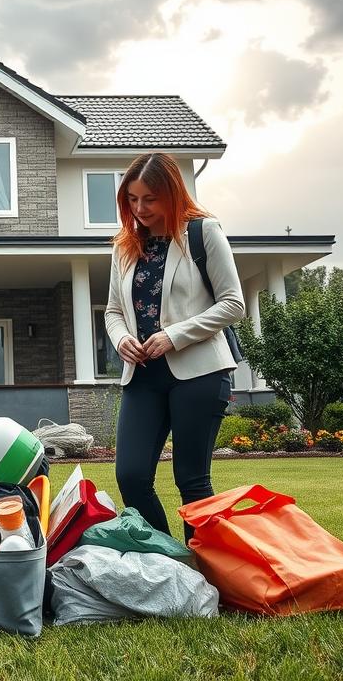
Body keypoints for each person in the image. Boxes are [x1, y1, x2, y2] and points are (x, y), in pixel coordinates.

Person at [105, 151, 244, 542]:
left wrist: (174, 336)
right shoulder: (123, 246)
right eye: (132, 199)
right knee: (130, 476)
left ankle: (208, 571)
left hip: (199, 374)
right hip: (143, 377)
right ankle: (170, 560)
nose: (140, 208)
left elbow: (233, 303)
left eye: (149, 198)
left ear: (171, 193)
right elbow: (113, 310)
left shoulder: (203, 232)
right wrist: (121, 339)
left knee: (192, 480)